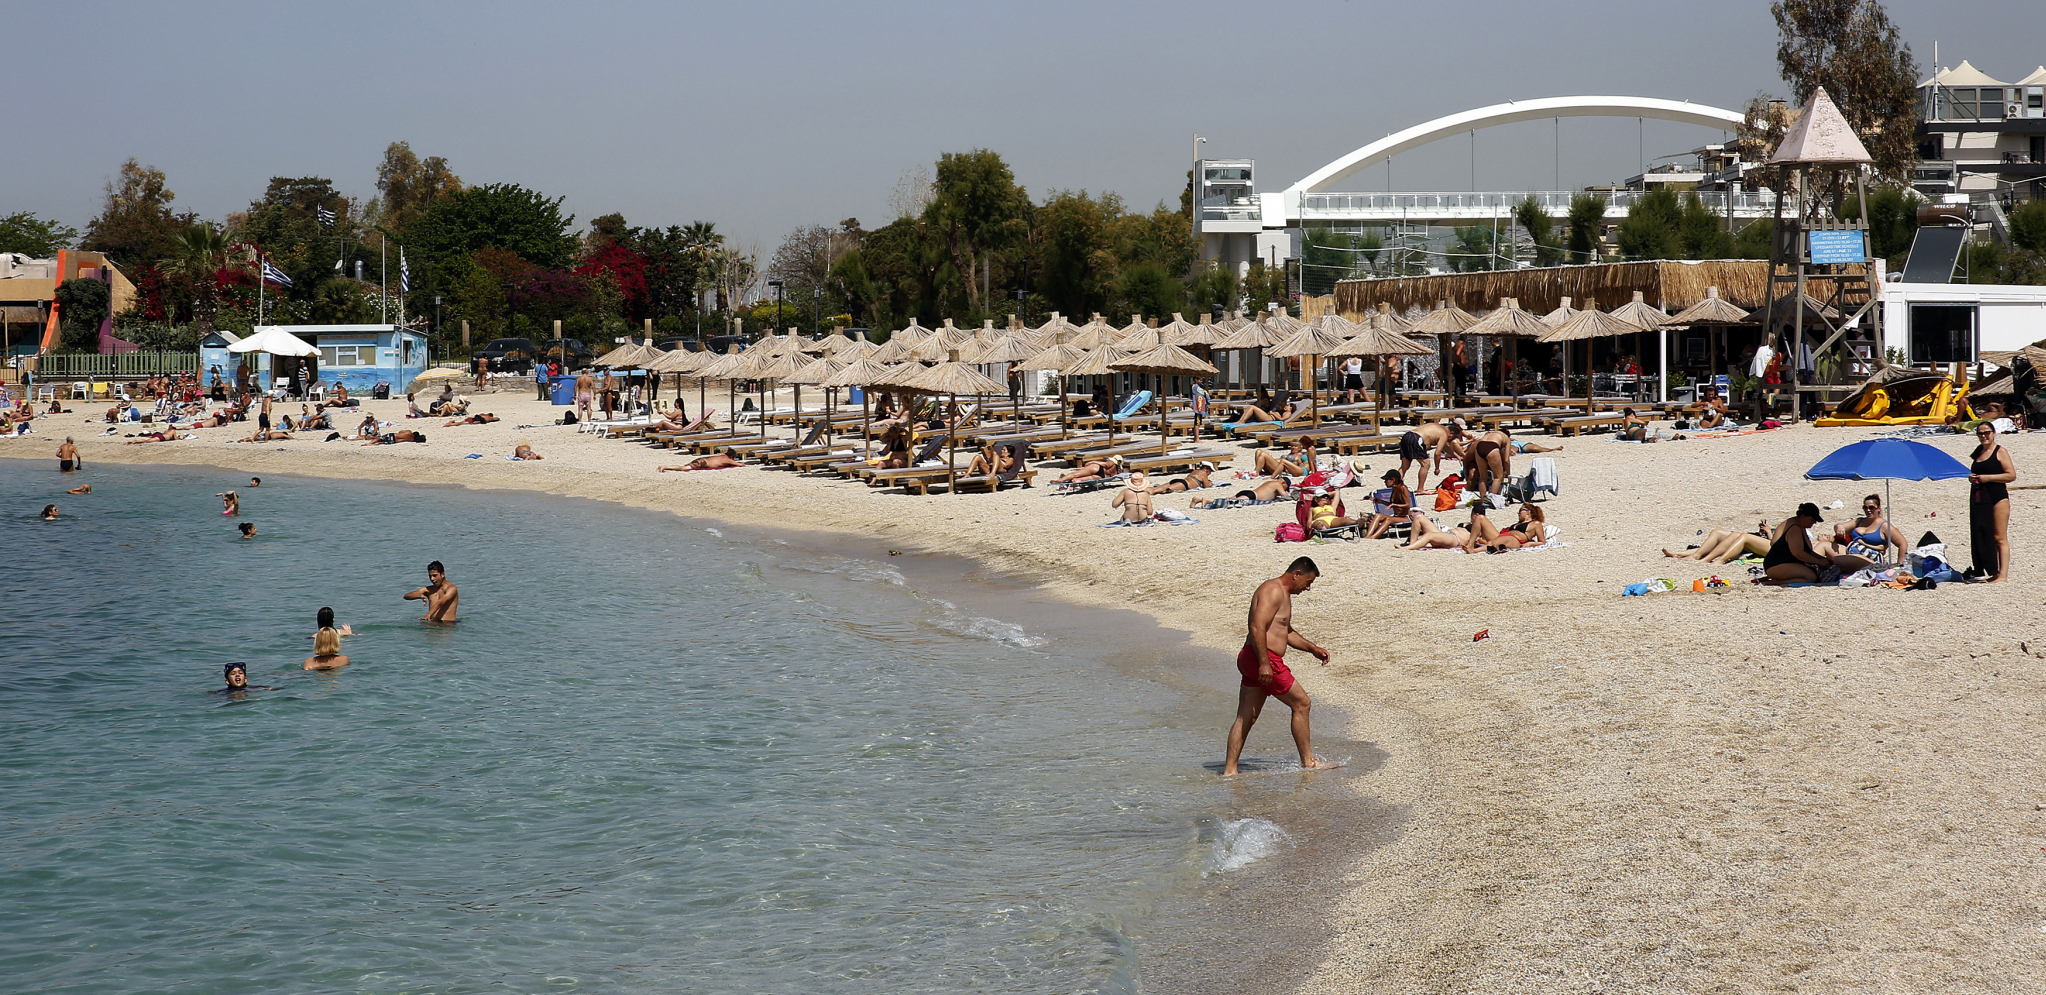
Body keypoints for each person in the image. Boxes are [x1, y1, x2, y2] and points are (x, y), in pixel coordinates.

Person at [1222, 557, 1335, 776]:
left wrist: (1312, 648)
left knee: (1246, 716)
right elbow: (1257, 626)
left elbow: (1286, 631)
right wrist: (1265, 664)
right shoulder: (1273, 590)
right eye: (1308, 582)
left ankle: (1230, 771)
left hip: (1254, 657)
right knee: (1302, 703)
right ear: (1296, 574)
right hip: (1262, 658)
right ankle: (1308, 762)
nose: (1308, 588)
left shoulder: (1282, 593)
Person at [1968, 421, 2015, 582]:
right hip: (1981, 497)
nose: (1983, 436)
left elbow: (2011, 475)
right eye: (1980, 433)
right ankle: (1993, 571)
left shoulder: (2000, 451)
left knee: (1999, 536)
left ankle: (2003, 575)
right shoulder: (1978, 452)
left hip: (1997, 496)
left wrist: (1989, 478)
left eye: (1986, 432)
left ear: (1993, 433)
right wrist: (1972, 478)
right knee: (1984, 533)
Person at [1763, 502, 1835, 582]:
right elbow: (1798, 553)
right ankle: (1775, 582)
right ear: (1803, 516)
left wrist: (1822, 559)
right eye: (1812, 519)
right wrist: (1819, 561)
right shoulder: (1794, 528)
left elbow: (1808, 551)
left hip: (1781, 563)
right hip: (1776, 565)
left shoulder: (1797, 524)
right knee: (1810, 577)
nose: (1814, 522)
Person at [1834, 494, 1908, 568]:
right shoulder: (1859, 521)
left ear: (1878, 508)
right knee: (1824, 545)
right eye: (1865, 507)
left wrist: (1900, 564)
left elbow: (1902, 543)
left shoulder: (1884, 526)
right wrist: (1839, 527)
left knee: (1837, 560)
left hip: (1872, 558)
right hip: (1852, 553)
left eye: (1871, 507)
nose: (1868, 510)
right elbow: (1840, 526)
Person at [1665, 519, 1774, 563]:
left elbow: (1778, 544)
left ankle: (1706, 559)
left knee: (1737, 535)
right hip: (1759, 540)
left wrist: (1769, 533)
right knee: (1717, 532)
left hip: (1771, 547)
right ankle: (1681, 554)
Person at [1398, 420, 1463, 493]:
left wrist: (1457, 456)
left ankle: (1395, 487)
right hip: (1416, 438)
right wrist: (1437, 468)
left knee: (1404, 466)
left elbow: (1444, 447)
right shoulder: (1444, 434)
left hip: (1407, 436)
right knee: (1426, 464)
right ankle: (1420, 489)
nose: (1450, 441)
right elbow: (1437, 453)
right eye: (1452, 439)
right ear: (1451, 434)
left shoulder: (1439, 428)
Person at [1469, 503, 1547, 552]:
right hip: (1502, 536)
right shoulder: (1519, 523)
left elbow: (1542, 542)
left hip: (1515, 540)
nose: (1518, 513)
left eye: (1520, 510)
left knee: (1492, 543)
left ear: (1528, 512)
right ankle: (1470, 544)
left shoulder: (1535, 524)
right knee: (1480, 517)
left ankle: (1474, 551)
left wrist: (1530, 544)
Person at [1363, 470, 1413, 540]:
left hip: (1406, 518)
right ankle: (1367, 536)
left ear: (1393, 479)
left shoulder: (1403, 488)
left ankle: (1373, 537)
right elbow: (1392, 504)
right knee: (1378, 515)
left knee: (1388, 519)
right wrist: (1381, 501)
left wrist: (1394, 505)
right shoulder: (1395, 489)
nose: (1385, 482)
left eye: (1386, 480)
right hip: (1396, 517)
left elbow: (1407, 505)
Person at [1053, 454, 1123, 485]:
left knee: (1077, 474)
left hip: (1098, 468)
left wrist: (1092, 461)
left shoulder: (1112, 462)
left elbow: (1106, 465)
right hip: (1102, 476)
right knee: (1088, 477)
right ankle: (1075, 481)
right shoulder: (1118, 470)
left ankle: (1063, 479)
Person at [659, 454, 743, 471]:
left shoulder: (722, 456)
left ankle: (666, 466)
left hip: (701, 459)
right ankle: (665, 467)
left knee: (684, 466)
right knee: (683, 468)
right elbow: (741, 465)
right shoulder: (728, 459)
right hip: (702, 463)